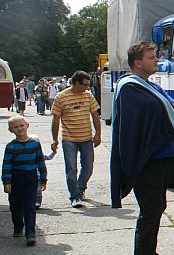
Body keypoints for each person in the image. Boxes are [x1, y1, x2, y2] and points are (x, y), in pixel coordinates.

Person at [110, 41, 174, 255]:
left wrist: (170, 108)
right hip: (146, 160)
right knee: (150, 212)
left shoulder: (148, 85)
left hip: (160, 156)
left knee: (156, 208)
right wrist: (169, 109)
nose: (156, 60)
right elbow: (163, 111)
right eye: (151, 57)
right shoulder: (130, 86)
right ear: (137, 62)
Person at [51, 70, 101, 208]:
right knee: (71, 169)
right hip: (69, 139)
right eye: (85, 84)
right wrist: (54, 140)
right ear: (76, 83)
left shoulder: (88, 96)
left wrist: (98, 134)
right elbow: (56, 120)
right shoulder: (61, 97)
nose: (87, 87)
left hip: (86, 138)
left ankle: (80, 188)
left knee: (88, 167)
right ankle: (75, 196)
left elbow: (95, 116)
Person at [1, 115, 47, 246]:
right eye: (15, 127)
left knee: (29, 206)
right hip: (16, 178)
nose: (19, 128)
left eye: (21, 125)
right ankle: (18, 225)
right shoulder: (11, 147)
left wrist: (43, 179)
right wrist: (7, 182)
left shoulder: (35, 144)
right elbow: (6, 165)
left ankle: (30, 233)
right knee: (15, 206)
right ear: (11, 130)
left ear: (27, 125)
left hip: (31, 178)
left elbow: (40, 162)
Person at [35, 145, 57, 209]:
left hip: (39, 177)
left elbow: (50, 157)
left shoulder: (41, 157)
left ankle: (37, 201)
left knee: (38, 190)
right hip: (29, 176)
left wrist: (54, 152)